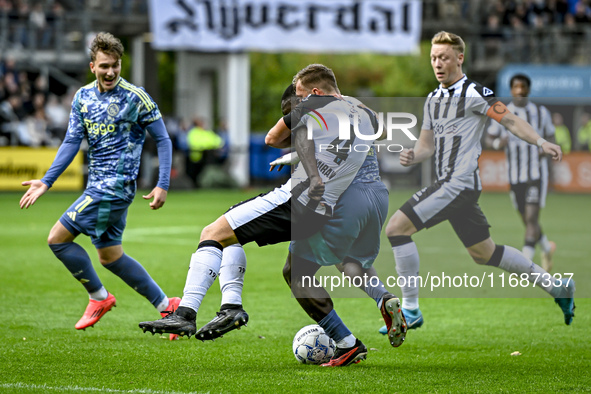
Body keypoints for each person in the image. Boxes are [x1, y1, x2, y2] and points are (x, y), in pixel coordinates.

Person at [139, 66, 406, 366]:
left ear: (315, 93)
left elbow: (271, 138)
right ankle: (348, 341)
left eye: (301, 94)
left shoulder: (311, 108)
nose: (298, 100)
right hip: (334, 207)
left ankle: (188, 313)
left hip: (298, 200)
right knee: (299, 271)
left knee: (214, 232)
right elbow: (378, 133)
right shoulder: (359, 110)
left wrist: (297, 132)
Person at [382, 31, 574, 333]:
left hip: (457, 183)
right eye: (433, 58)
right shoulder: (432, 99)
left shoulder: (475, 93)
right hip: (453, 186)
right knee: (484, 253)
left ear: (460, 58)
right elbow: (426, 146)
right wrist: (413, 156)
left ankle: (410, 308)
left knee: (395, 228)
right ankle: (557, 287)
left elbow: (509, 120)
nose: (438, 63)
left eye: (444, 57)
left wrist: (540, 142)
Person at [19, 32, 181, 338]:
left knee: (57, 239)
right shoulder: (82, 97)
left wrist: (162, 184)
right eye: (104, 66)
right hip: (97, 185)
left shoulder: (136, 97)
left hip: (115, 187)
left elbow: (162, 138)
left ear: (121, 65)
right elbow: (70, 141)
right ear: (93, 65)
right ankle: (168, 306)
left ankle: (98, 297)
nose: (110, 72)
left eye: (116, 66)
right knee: (110, 256)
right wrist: (47, 181)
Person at [485, 73, 557, 272]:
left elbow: (551, 136)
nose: (519, 91)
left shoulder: (541, 113)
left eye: (523, 87)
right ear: (511, 90)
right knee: (527, 221)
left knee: (532, 219)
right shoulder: (503, 112)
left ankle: (526, 266)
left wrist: (546, 148)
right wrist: (499, 142)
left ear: (528, 90)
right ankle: (546, 248)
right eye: (516, 87)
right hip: (515, 176)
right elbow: (489, 139)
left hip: (536, 174)